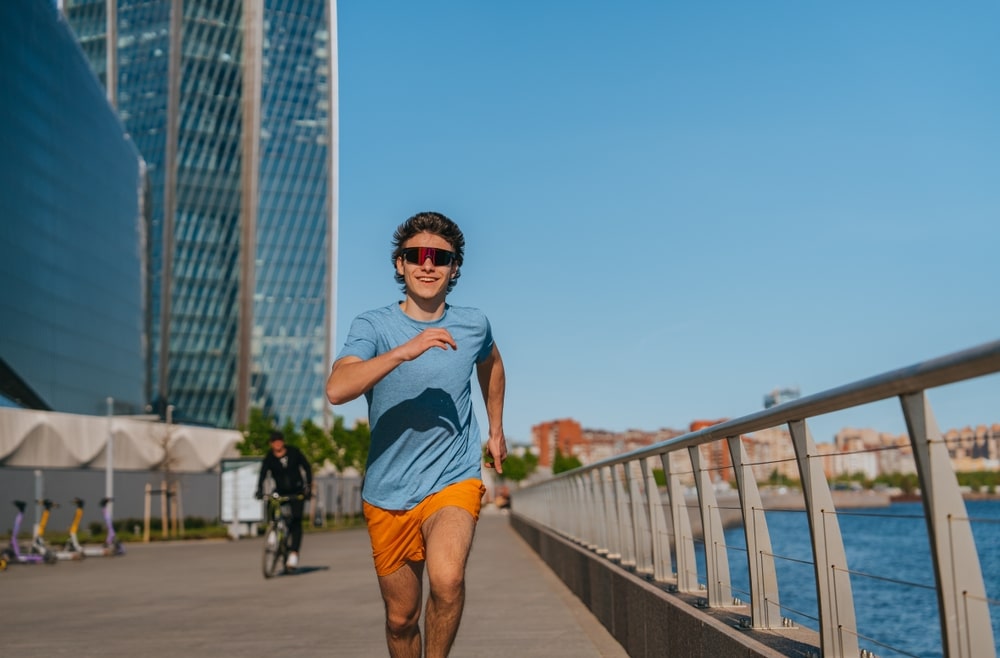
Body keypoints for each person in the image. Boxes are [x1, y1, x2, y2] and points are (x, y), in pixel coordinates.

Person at [326, 211, 507, 658]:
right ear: (399, 265)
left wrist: (496, 428)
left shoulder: (473, 324)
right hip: (388, 491)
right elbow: (337, 389)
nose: (428, 266)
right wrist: (404, 351)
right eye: (416, 255)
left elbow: (493, 366)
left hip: (453, 476)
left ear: (454, 268)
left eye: (440, 258)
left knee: (447, 580)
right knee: (400, 618)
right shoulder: (373, 326)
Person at [255, 429, 313, 570]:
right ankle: (273, 530)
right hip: (280, 491)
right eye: (274, 442)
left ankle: (294, 553)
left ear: (283, 442)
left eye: (279, 441)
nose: (277, 444)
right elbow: (263, 473)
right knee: (271, 503)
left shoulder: (294, 452)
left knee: (296, 521)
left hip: (297, 491)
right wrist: (259, 489)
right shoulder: (269, 457)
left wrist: (308, 487)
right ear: (271, 444)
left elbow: (306, 467)